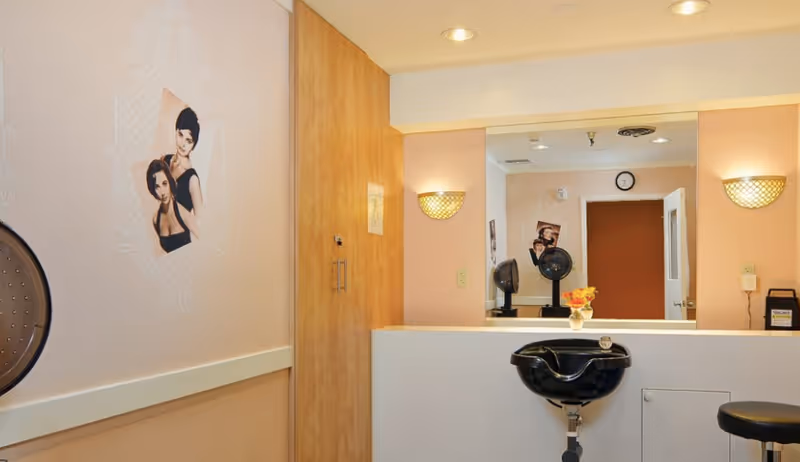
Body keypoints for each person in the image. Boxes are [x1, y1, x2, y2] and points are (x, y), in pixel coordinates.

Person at [147, 159, 199, 254]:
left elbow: (203, 239)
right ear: (153, 190)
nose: (162, 192)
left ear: (170, 182)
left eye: (164, 184)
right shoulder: (156, 219)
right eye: (157, 187)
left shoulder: (182, 213)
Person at [163, 107, 203, 218]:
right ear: (175, 132)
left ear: (194, 145)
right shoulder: (165, 161)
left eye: (188, 140)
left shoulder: (192, 179)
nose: (182, 144)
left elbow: (200, 222)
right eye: (180, 135)